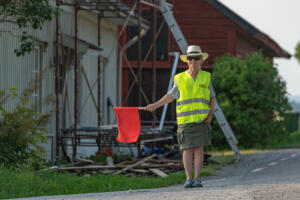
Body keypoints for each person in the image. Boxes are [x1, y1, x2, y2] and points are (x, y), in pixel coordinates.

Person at [145, 45, 215, 188]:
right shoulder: (180, 78)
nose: (193, 61)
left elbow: (212, 97)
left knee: (199, 149)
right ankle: (188, 179)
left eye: (196, 59)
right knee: (187, 149)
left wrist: (210, 115)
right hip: (185, 120)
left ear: (201, 61)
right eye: (190, 59)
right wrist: (155, 105)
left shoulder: (206, 77)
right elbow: (170, 96)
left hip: (201, 120)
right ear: (187, 61)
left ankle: (197, 179)